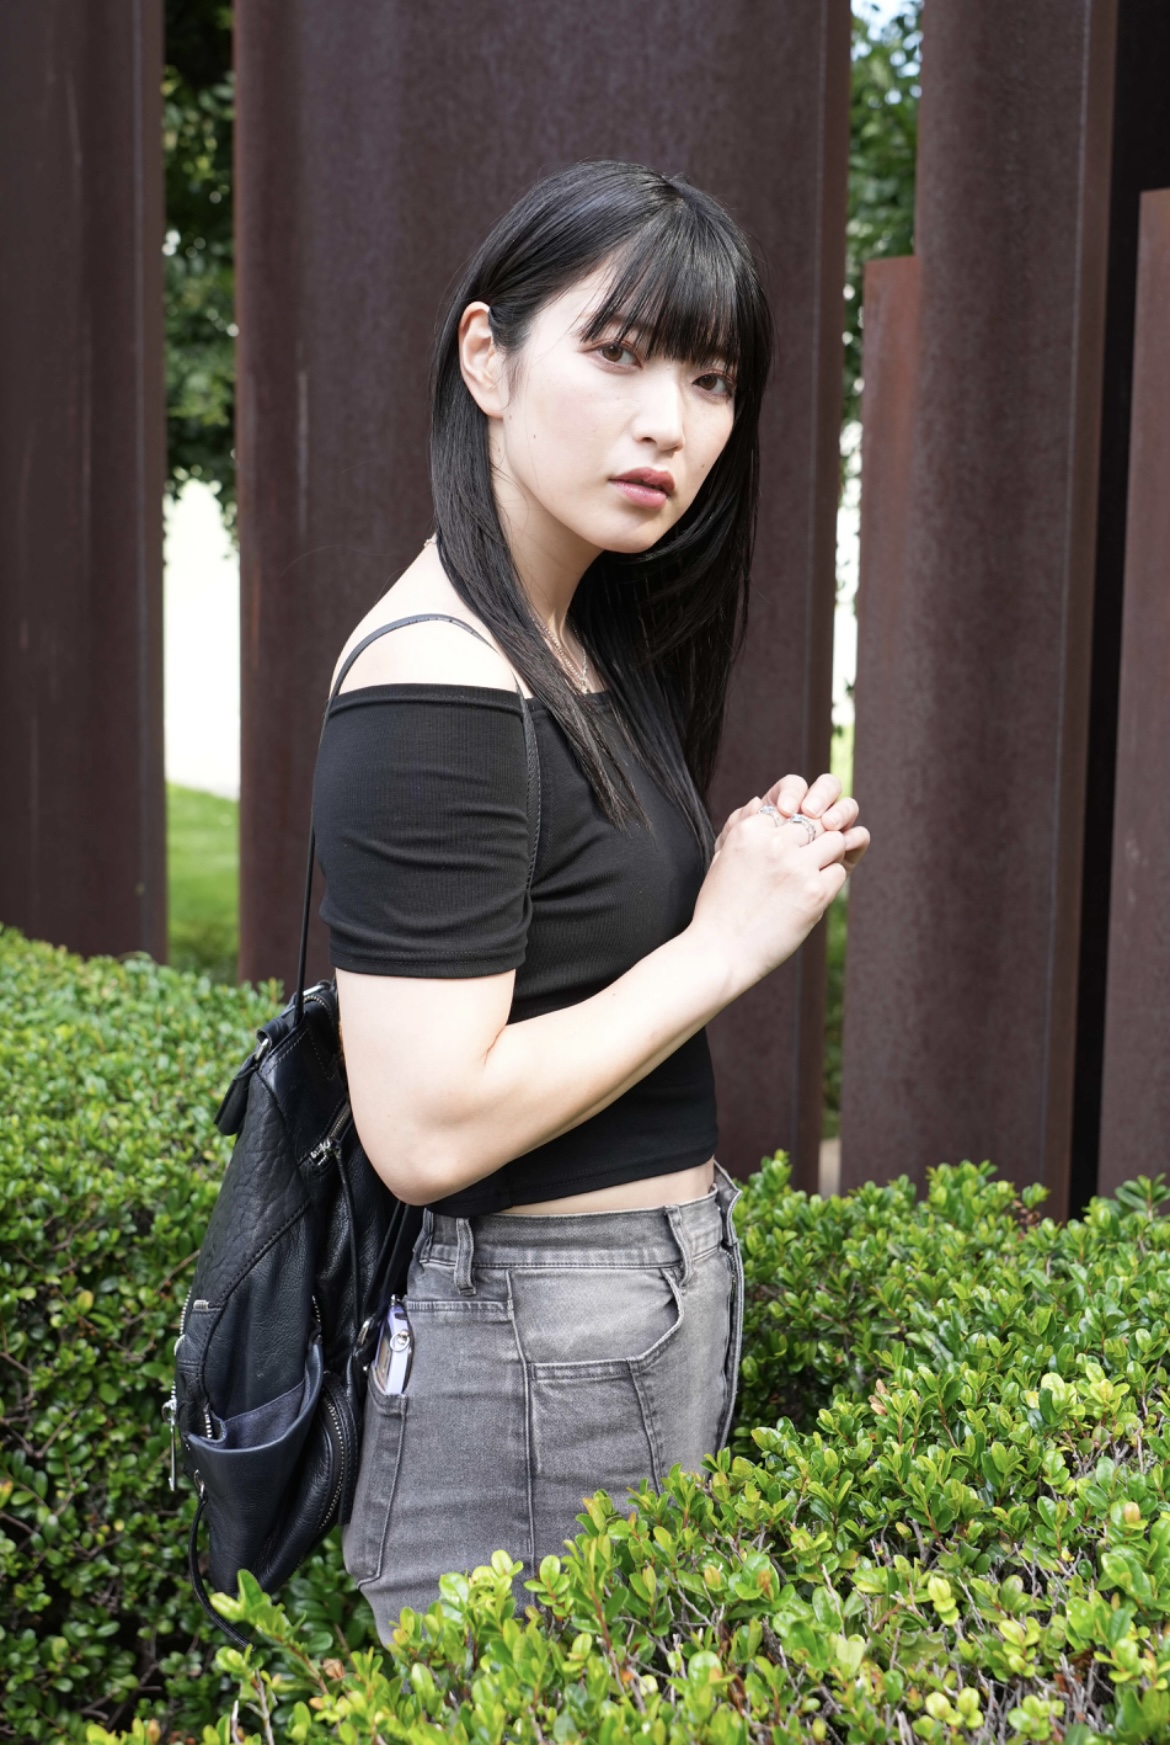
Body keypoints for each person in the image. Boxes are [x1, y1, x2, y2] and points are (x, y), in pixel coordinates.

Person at [310, 159, 869, 1638]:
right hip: (532, 1342)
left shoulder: (570, 642)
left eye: (710, 379)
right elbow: (424, 1130)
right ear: (486, 360)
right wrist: (723, 942)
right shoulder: (440, 676)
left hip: (613, 1317)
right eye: (617, 354)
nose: (669, 422)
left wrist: (743, 867)